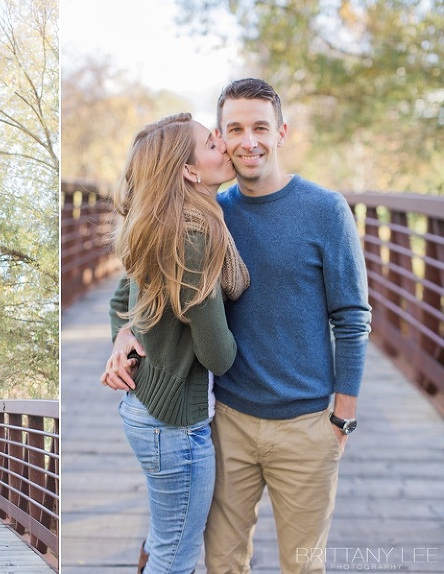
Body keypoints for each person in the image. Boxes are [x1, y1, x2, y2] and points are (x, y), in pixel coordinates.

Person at [105, 78, 372, 574]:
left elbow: (352, 319)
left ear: (282, 132)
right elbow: (129, 286)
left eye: (260, 128)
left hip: (307, 425)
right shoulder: (206, 210)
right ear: (221, 139)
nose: (248, 141)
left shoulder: (325, 210)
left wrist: (343, 416)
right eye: (233, 129)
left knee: (303, 566)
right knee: (222, 563)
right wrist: (123, 333)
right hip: (226, 421)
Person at [101, 112, 249, 574]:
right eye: (211, 143)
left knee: (165, 537)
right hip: (173, 426)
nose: (223, 145)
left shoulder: (160, 223)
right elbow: (217, 356)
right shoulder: (194, 236)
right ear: (188, 170)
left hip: (144, 410)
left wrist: (125, 332)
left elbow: (119, 301)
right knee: (177, 556)